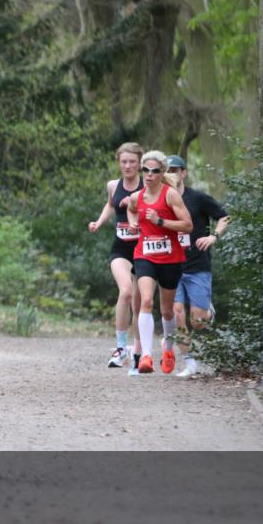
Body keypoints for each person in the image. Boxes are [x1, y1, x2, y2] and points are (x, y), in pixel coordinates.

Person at [127, 150, 193, 374]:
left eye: (155, 171)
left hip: (170, 257)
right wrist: (133, 223)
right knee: (145, 301)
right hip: (144, 255)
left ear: (162, 172)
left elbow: (188, 225)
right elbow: (131, 210)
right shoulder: (136, 197)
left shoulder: (170, 195)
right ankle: (146, 356)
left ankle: (168, 348)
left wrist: (161, 221)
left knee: (166, 310)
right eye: (145, 170)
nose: (149, 174)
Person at [165, 155, 231, 378]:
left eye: (175, 170)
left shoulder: (198, 198)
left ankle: (207, 311)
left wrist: (213, 236)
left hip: (197, 266)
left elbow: (224, 217)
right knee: (177, 313)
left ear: (183, 173)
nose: (171, 174)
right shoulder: (160, 199)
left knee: (198, 322)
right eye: (167, 170)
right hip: (171, 266)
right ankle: (189, 363)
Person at [89, 142, 143, 371]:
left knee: (140, 303)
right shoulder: (113, 185)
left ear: (140, 164)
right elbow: (110, 205)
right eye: (124, 162)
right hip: (120, 248)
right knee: (126, 292)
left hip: (144, 248)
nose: (128, 166)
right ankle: (120, 348)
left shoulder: (148, 186)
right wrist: (99, 222)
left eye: (132, 162)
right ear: (119, 163)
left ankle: (139, 350)